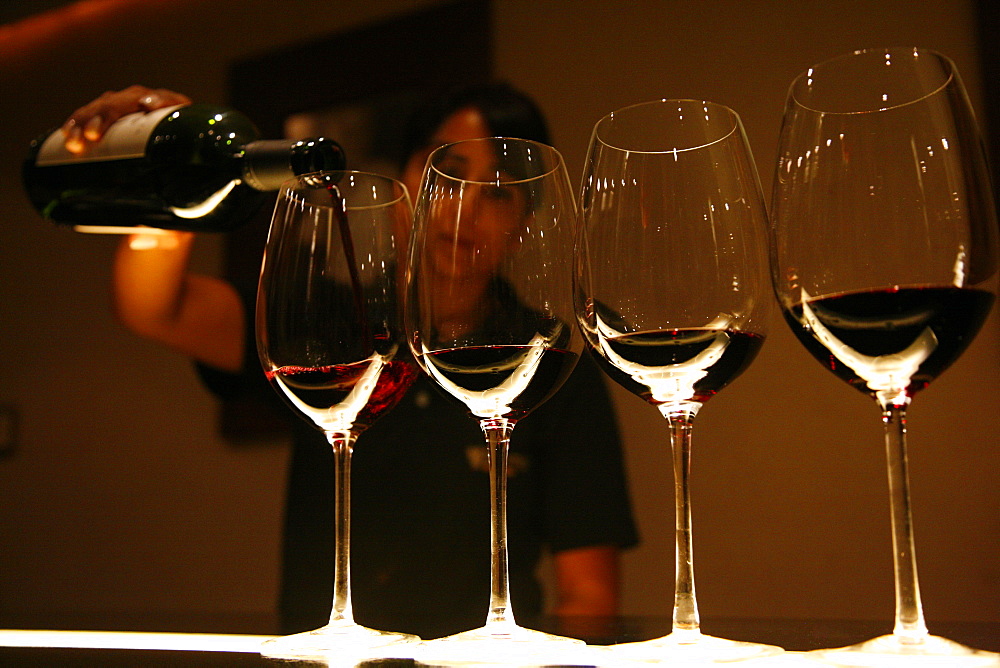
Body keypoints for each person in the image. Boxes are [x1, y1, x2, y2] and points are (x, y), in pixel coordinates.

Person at [61, 83, 639, 639]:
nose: (463, 209)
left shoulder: (552, 361)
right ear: (406, 182)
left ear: (526, 223)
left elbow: (588, 595)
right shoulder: (324, 322)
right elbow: (154, 308)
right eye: (449, 176)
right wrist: (166, 158)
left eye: (498, 193)